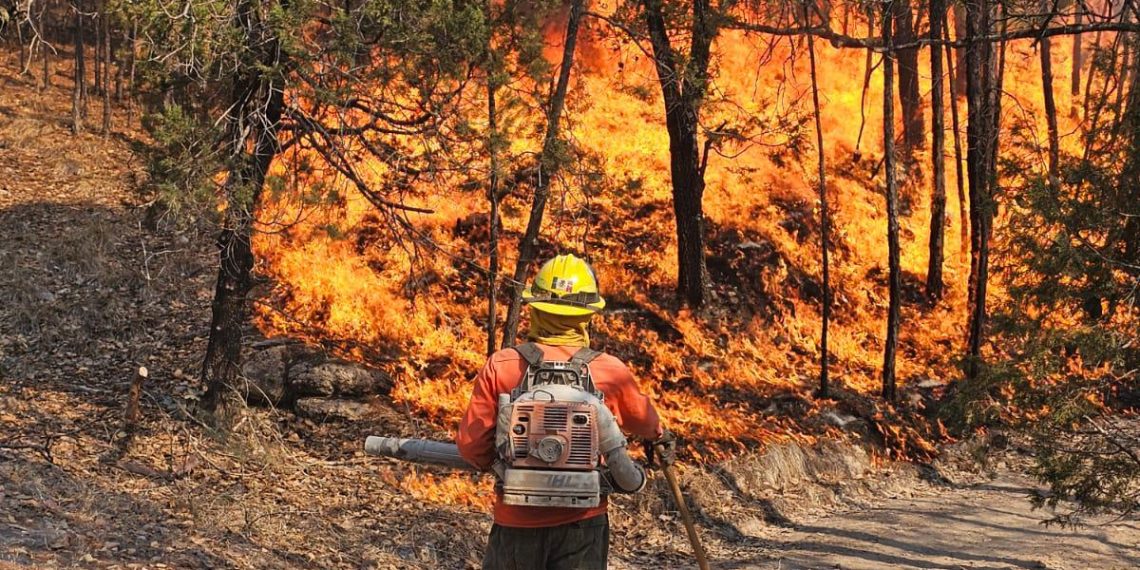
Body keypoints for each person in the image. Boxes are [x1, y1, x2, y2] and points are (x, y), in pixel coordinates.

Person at [457, 253, 676, 570]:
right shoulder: (608, 371)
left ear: (535, 308)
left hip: (516, 522)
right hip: (582, 525)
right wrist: (660, 436)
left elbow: (471, 447)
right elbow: (646, 423)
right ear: (588, 315)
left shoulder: (501, 365)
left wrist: (502, 465)